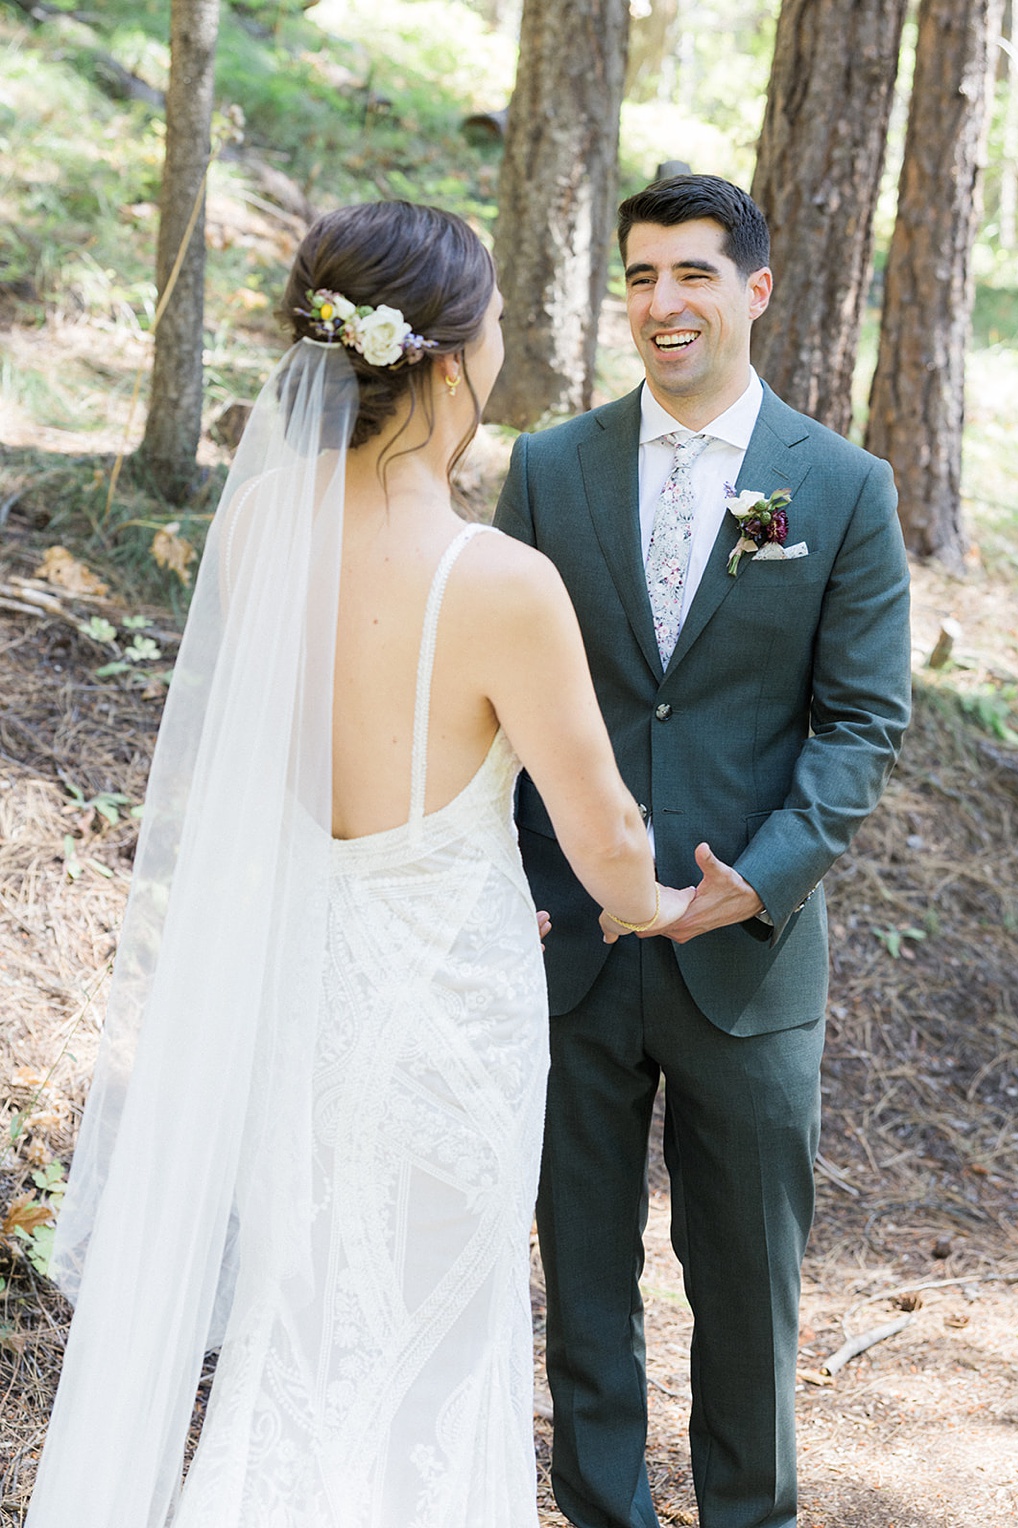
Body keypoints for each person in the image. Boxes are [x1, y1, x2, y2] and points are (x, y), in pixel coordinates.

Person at [26, 201, 692, 1528]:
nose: (506, 339)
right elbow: (608, 843)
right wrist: (672, 904)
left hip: (301, 997)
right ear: (446, 360)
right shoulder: (495, 580)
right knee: (432, 1353)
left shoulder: (267, 522)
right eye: (498, 317)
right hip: (448, 1017)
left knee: (304, 1327)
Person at [494, 174, 912, 1528]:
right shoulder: (551, 470)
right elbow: (495, 699)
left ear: (756, 289)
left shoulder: (842, 489)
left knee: (748, 1295)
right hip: (574, 951)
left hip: (750, 964)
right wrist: (519, 888)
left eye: (691, 274)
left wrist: (765, 876)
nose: (662, 305)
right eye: (639, 277)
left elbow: (861, 722)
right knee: (585, 1298)